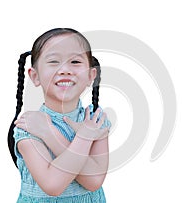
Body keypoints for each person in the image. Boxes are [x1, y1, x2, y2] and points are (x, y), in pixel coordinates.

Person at [7, 28, 111, 203]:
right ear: (35, 76)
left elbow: (93, 181)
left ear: (91, 75)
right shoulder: (29, 125)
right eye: (54, 61)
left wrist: (50, 134)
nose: (65, 70)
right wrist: (84, 137)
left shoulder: (95, 120)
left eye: (75, 61)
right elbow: (53, 184)